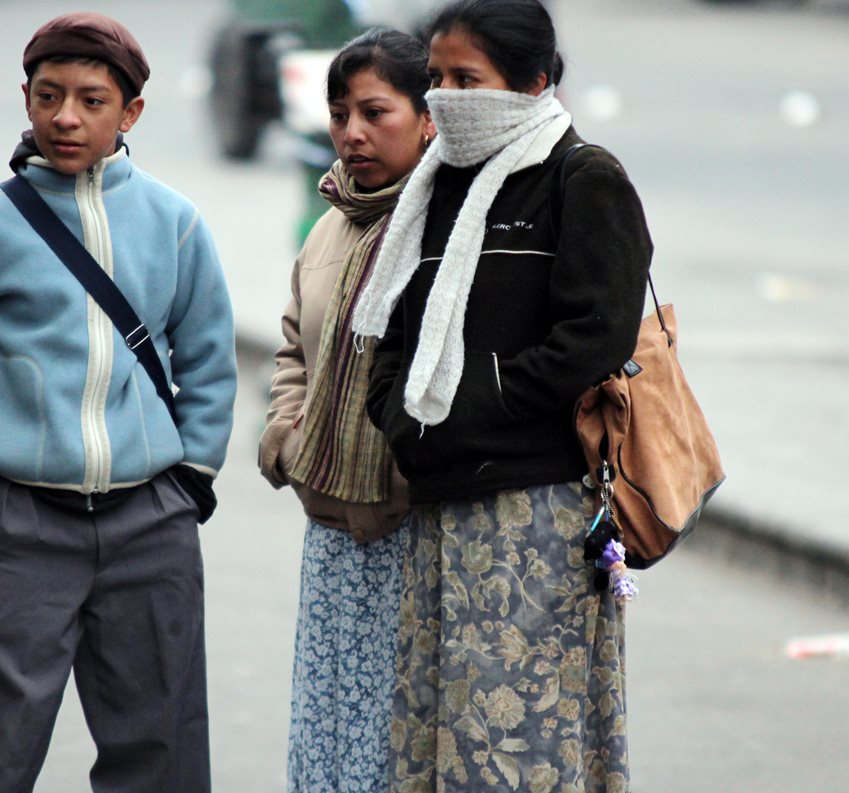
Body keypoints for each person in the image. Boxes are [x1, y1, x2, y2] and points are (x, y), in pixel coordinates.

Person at [0, 12, 236, 792]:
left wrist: (190, 482)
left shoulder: (176, 224)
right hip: (19, 523)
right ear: (26, 98)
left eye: (90, 99)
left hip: (151, 520)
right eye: (48, 97)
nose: (66, 118)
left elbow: (210, 361)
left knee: (161, 745)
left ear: (131, 113)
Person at [351, 1, 652, 790]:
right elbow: (394, 331)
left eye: (467, 78)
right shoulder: (435, 183)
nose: (446, 97)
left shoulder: (582, 178)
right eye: (437, 78)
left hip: (535, 518)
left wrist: (467, 404)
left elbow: (594, 339)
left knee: (519, 747)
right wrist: (397, 413)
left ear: (534, 82)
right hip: (439, 505)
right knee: (437, 739)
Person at [258, 28, 433, 793]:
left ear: (429, 118)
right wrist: (287, 436)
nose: (352, 133)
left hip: (414, 536)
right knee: (327, 739)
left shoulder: (449, 232)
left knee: (395, 750)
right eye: (339, 115)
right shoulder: (332, 220)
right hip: (331, 533)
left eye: (375, 111)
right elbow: (295, 343)